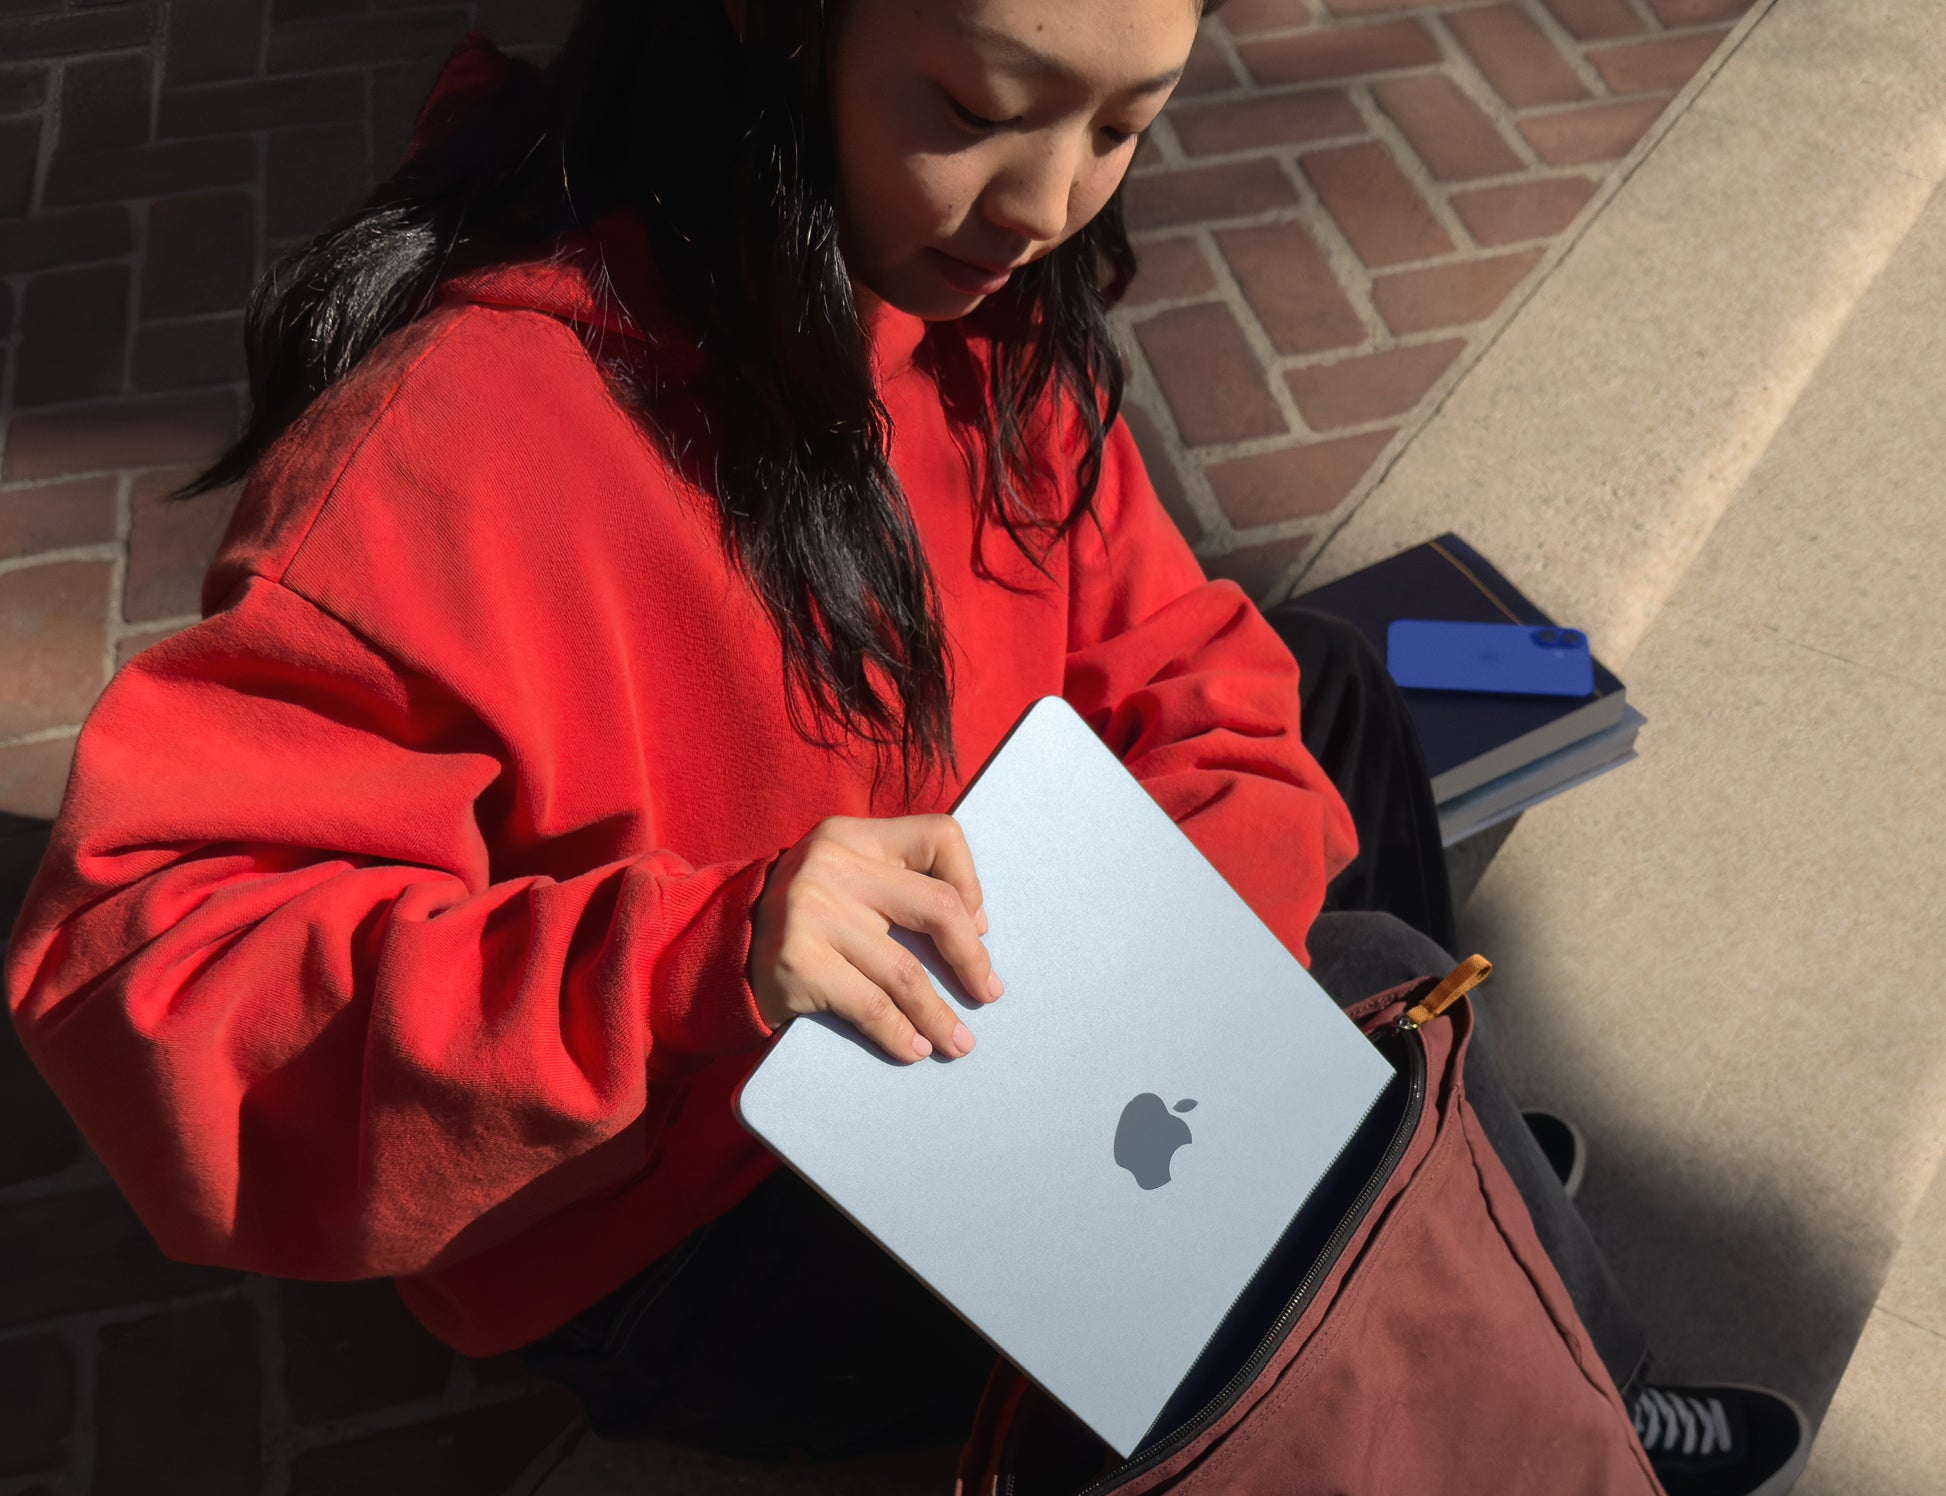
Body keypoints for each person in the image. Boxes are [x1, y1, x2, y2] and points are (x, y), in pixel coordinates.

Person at [0, 2, 1803, 1492]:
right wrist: (700, 956)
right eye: (974, 107)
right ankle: (1508, 1356)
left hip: (952, 1011)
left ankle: (1425, 1218)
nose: (1042, 201)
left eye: (1122, 125)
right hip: (680, 1191)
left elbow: (1189, 654)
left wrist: (1185, 977)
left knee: (1332, 713)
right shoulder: (454, 446)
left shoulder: (981, 313)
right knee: (1356, 1023)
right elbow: (148, 978)